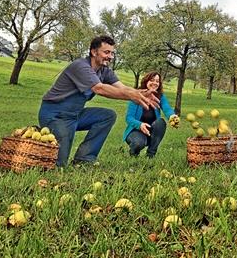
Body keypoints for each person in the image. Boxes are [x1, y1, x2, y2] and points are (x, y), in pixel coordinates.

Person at [39, 35, 159, 167]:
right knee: (59, 164)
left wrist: (142, 93)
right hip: (55, 115)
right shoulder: (80, 66)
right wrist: (132, 96)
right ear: (94, 52)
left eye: (112, 53)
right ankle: (52, 138)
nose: (110, 56)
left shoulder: (104, 71)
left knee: (107, 116)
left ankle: (84, 159)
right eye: (106, 52)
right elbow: (99, 88)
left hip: (75, 114)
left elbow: (123, 88)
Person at [123, 72, 176, 158]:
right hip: (135, 131)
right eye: (152, 80)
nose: (155, 83)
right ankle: (133, 155)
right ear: (146, 81)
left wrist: (172, 116)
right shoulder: (137, 95)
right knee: (138, 143)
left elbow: (167, 108)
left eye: (157, 81)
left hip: (151, 131)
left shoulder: (160, 96)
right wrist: (140, 125)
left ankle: (150, 155)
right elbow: (129, 118)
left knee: (160, 122)